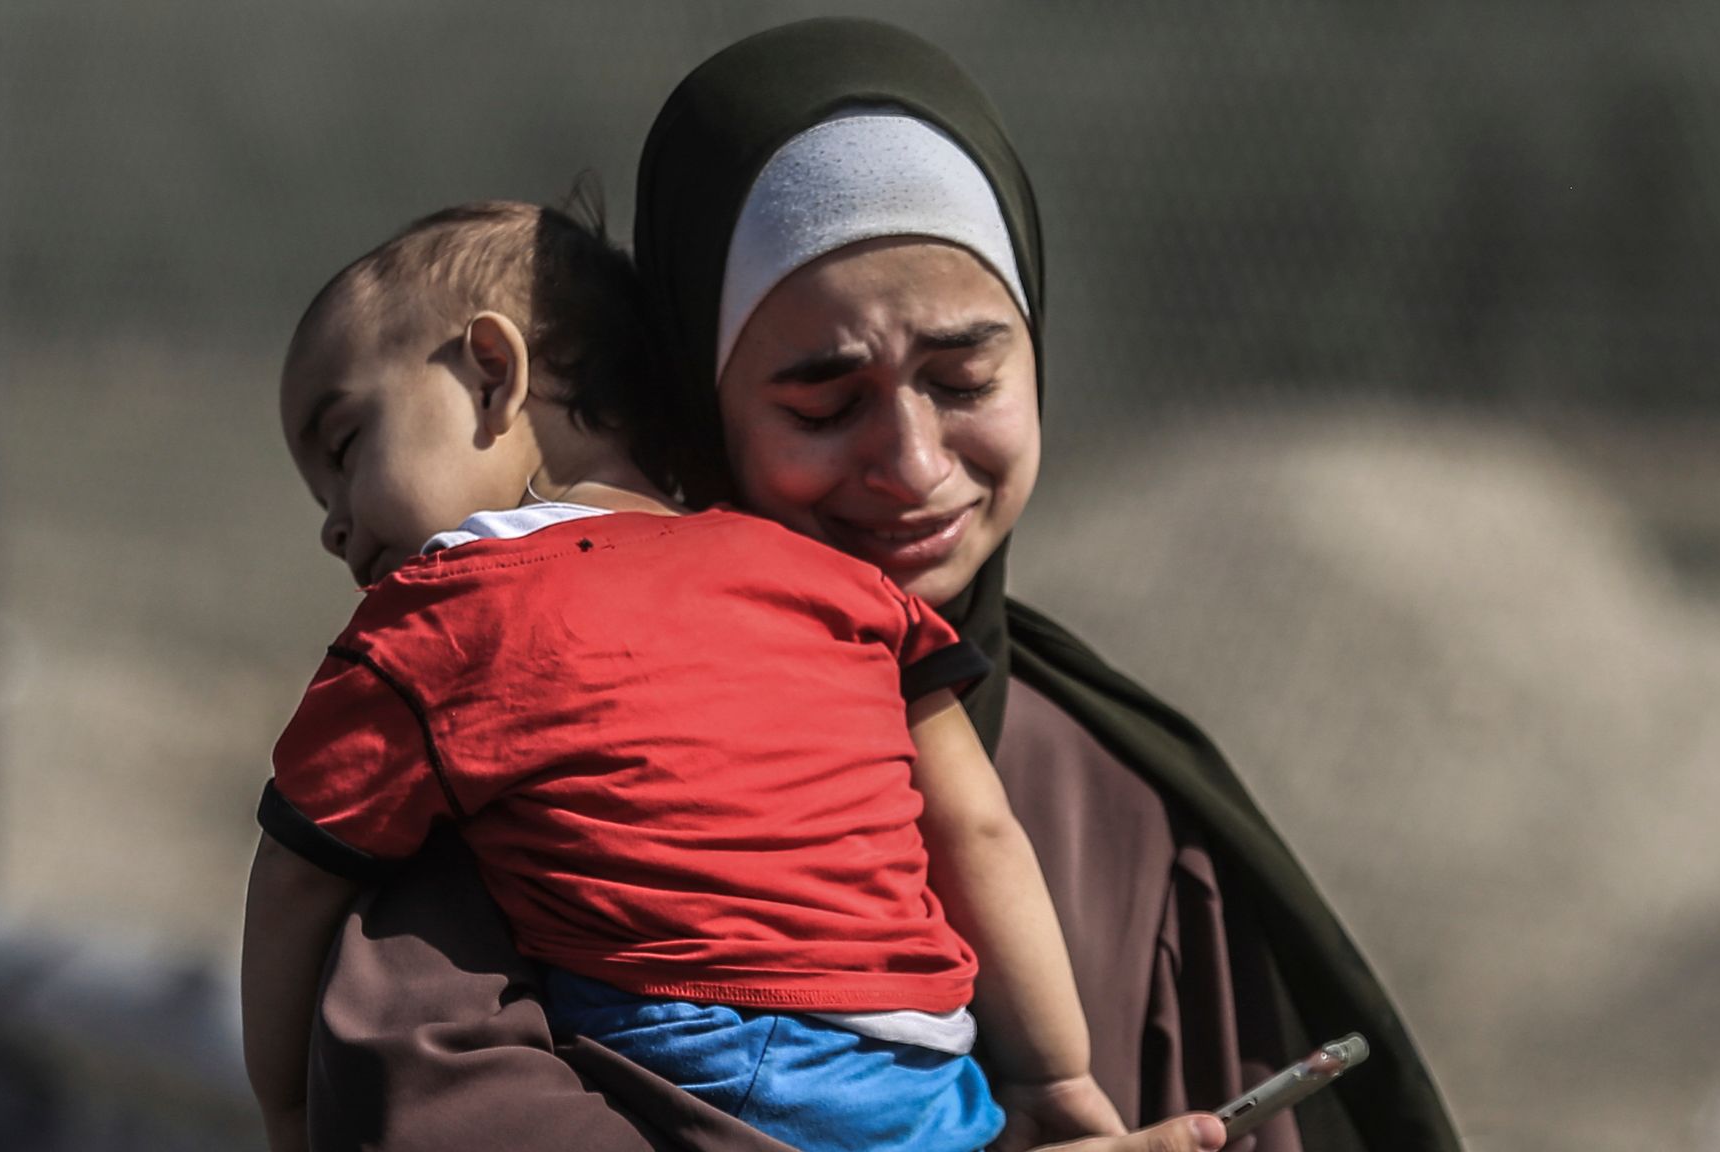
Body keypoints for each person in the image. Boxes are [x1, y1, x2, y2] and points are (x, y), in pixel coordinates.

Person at [297, 19, 1463, 1152]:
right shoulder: (525, 741)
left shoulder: (1131, 820)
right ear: (695, 417)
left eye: (963, 377)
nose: (910, 466)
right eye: (820, 401)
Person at [242, 200, 1127, 1152]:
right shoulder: (827, 577)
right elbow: (976, 826)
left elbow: (296, 882)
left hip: (709, 1055)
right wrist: (1056, 1075)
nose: (333, 522)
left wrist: (288, 1104)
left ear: (493, 376)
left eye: (343, 448)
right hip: (927, 1063)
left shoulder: (442, 617)